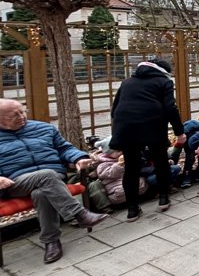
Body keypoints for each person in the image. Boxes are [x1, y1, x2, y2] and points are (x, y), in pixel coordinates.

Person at [0, 99, 108, 264]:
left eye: (23, 111)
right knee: (46, 176)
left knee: (41, 192)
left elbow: (64, 148)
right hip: (17, 182)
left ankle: (51, 241)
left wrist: (79, 157)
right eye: (14, 115)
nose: (22, 117)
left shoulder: (43, 128)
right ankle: (80, 214)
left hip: (53, 177)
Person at [110, 58, 186, 222]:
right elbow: (170, 107)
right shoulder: (163, 82)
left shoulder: (127, 82)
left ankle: (132, 209)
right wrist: (179, 132)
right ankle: (163, 198)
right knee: (160, 161)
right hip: (153, 124)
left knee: (131, 167)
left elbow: (115, 108)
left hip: (126, 126)